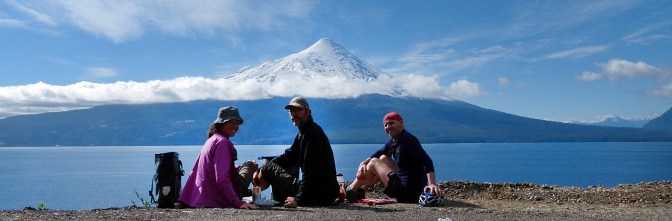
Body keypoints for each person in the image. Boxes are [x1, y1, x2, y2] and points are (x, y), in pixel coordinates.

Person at [253, 96, 339, 207]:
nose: (293, 114)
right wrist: (262, 169)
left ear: (307, 112)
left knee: (269, 168)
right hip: (320, 191)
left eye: (297, 110)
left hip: (319, 193)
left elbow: (310, 172)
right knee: (269, 166)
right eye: (291, 111)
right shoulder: (303, 133)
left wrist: (299, 200)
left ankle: (263, 195)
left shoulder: (313, 134)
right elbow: (289, 156)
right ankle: (278, 198)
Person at [346, 112, 443, 203]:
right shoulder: (394, 141)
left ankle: (352, 189)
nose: (388, 127)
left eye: (391, 123)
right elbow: (379, 153)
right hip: (406, 188)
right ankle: (361, 190)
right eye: (385, 125)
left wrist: (432, 183)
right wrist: (362, 163)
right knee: (383, 158)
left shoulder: (408, 139)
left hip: (408, 193)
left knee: (374, 162)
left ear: (401, 123)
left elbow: (427, 161)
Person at [178, 106, 259, 209]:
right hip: (215, 199)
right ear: (221, 123)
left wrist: (237, 167)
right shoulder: (223, 143)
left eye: (237, 123)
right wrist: (238, 203)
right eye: (231, 122)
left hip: (201, 196)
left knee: (245, 166)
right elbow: (222, 179)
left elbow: (214, 168)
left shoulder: (212, 139)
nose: (235, 126)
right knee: (250, 164)